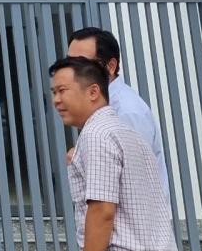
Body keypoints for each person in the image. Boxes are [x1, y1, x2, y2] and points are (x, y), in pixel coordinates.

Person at [50, 56, 177, 251]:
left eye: (63, 91)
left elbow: (103, 210)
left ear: (93, 91)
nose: (56, 100)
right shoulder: (128, 133)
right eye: (54, 92)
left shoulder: (97, 135)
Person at [66, 27, 169, 188]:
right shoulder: (98, 105)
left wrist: (80, 164)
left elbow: (134, 183)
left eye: (82, 64)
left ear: (110, 66)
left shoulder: (126, 112)